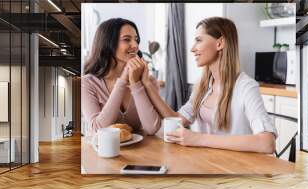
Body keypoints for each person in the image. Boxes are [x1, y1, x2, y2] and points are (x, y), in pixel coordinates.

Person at [141, 17, 277, 153]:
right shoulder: (203, 85)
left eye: (199, 40)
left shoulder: (246, 87)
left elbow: (267, 143)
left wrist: (198, 139)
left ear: (220, 43)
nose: (192, 49)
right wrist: (147, 85)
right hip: (207, 162)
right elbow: (177, 119)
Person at [82, 18, 161, 136]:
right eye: (127, 39)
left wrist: (136, 84)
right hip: (101, 152)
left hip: (140, 152)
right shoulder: (87, 83)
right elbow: (97, 130)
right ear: (107, 43)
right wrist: (123, 80)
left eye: (136, 40)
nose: (135, 45)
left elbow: (152, 128)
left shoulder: (148, 81)